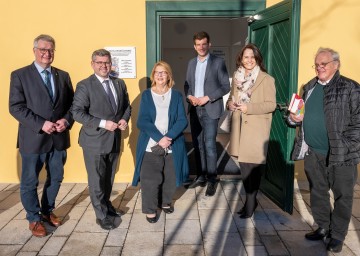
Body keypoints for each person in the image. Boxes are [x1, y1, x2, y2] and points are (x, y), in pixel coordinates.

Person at [289, 47, 360, 253]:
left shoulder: (351, 88)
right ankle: (323, 226)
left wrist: (347, 146)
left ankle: (337, 235)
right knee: (318, 192)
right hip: (314, 152)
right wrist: (293, 118)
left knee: (343, 196)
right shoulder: (309, 87)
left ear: (336, 65)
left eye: (324, 64)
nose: (319, 68)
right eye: (317, 64)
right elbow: (297, 115)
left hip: (342, 155)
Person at [9, 34, 74, 237]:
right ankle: (34, 218)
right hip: (33, 138)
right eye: (43, 50)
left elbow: (73, 105)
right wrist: (41, 124)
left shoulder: (63, 76)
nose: (47, 53)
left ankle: (46, 212)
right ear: (35, 50)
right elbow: (15, 107)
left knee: (56, 177)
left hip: (58, 138)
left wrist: (66, 120)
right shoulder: (20, 75)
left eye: (51, 50)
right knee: (30, 181)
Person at [71, 49, 131, 230]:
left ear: (111, 63)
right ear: (92, 64)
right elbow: (77, 113)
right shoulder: (85, 85)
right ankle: (101, 215)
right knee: (97, 180)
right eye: (99, 62)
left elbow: (126, 107)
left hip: (114, 139)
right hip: (94, 141)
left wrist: (123, 119)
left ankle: (107, 206)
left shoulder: (119, 83)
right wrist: (104, 123)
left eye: (106, 62)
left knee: (108, 178)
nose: (104, 66)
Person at [132, 61, 189, 223]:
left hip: (173, 144)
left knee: (170, 177)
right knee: (150, 178)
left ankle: (165, 202)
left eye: (163, 72)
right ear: (153, 75)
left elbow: (182, 120)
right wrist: (160, 139)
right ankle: (150, 209)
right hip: (151, 144)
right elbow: (142, 121)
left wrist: (168, 137)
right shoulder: (146, 95)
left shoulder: (176, 95)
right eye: (157, 72)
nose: (160, 75)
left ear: (169, 75)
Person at [227, 44, 276, 219]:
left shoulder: (266, 79)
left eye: (252, 57)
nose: (249, 60)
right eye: (246, 57)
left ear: (257, 59)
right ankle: (250, 201)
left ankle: (250, 202)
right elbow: (232, 99)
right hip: (240, 127)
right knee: (243, 167)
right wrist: (230, 104)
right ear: (241, 58)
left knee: (251, 168)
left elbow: (271, 104)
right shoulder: (236, 76)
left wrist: (249, 107)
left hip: (256, 128)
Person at [184, 31, 230, 196]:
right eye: (198, 44)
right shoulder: (191, 63)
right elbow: (187, 85)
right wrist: (189, 96)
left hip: (210, 108)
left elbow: (226, 86)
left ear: (209, 45)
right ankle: (201, 176)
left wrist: (207, 98)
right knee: (197, 144)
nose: (201, 47)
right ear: (194, 46)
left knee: (209, 145)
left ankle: (212, 179)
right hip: (195, 109)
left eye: (204, 44)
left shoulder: (218, 62)